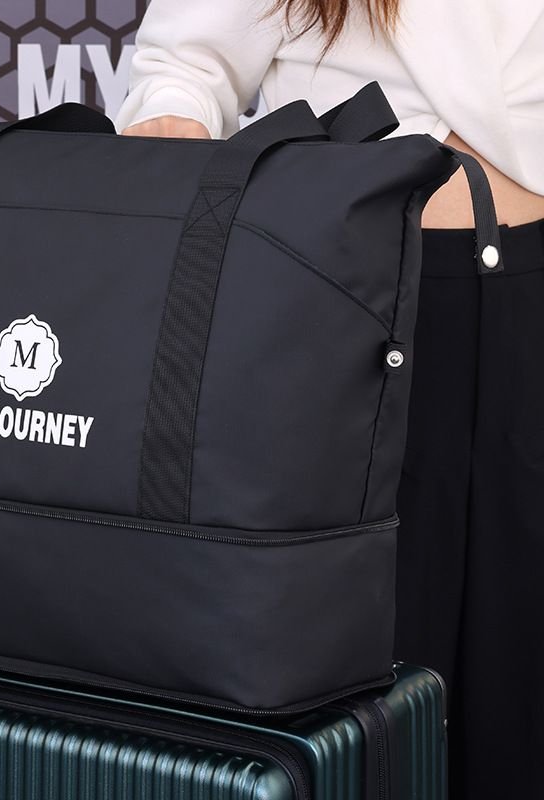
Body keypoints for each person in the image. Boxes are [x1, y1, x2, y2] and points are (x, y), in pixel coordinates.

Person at [115, 2, 544, 798]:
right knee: (367, 676)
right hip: (363, 300)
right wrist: (174, 129)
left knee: (522, 675)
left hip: (526, 308)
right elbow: (185, 65)